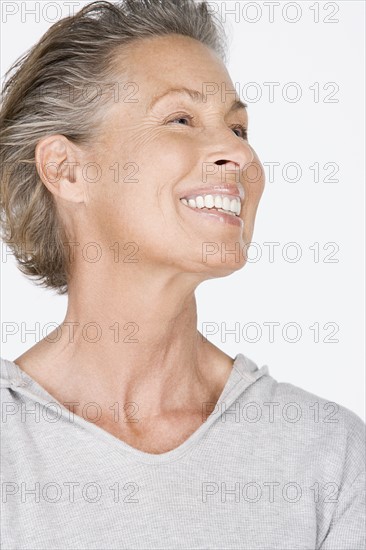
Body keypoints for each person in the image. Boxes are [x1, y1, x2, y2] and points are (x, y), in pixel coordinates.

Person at [0, 1, 364, 548]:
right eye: (181, 119)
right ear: (67, 169)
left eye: (239, 127)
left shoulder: (327, 454)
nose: (238, 153)